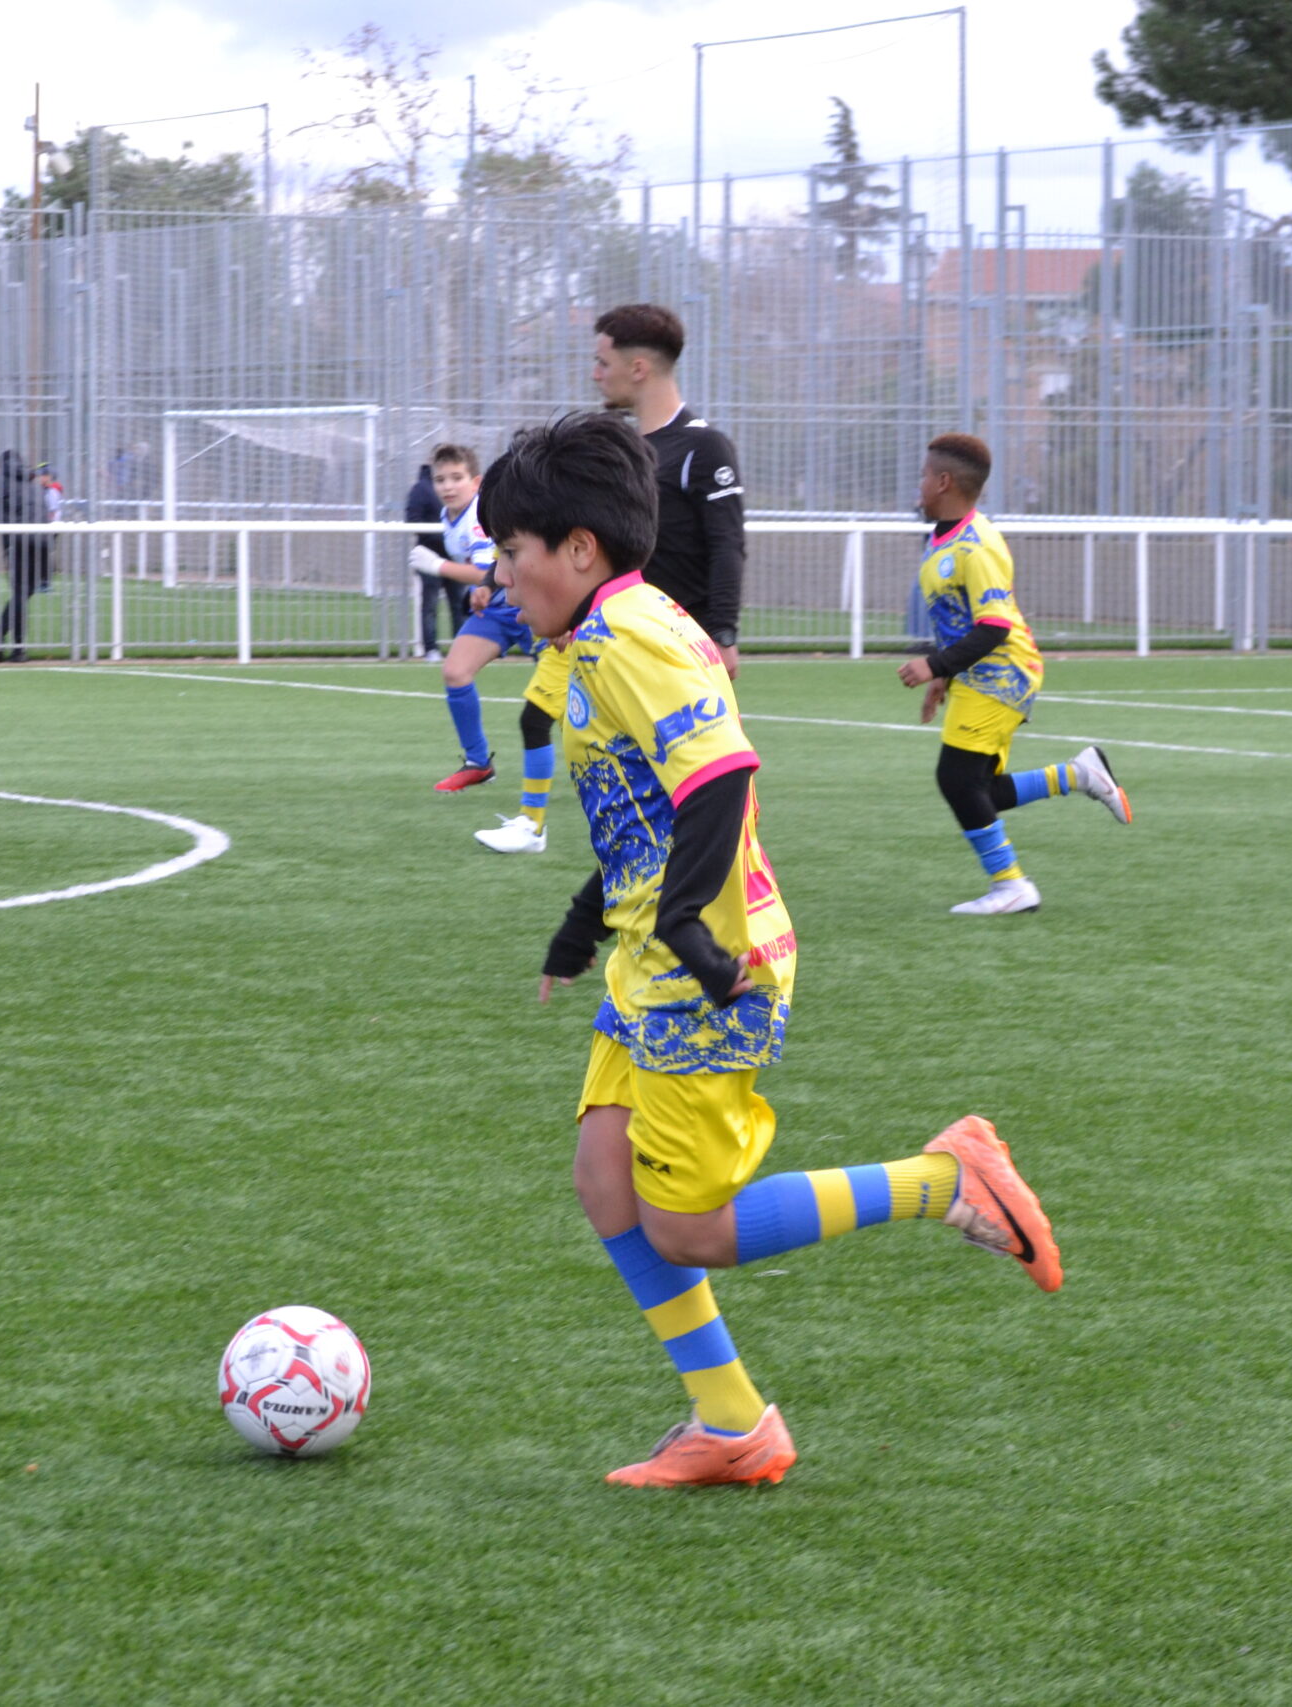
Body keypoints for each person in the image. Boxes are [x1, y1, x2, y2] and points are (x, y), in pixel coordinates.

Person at [493, 410, 1063, 1487]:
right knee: (606, 1180)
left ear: (578, 548)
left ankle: (945, 1178)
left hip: (705, 965)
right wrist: (585, 921)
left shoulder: (624, 638)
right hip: (653, 955)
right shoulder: (613, 625)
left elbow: (720, 775)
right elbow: (647, 807)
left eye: (512, 551)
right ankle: (731, 1423)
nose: (501, 573)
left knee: (690, 1229)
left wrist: (684, 930)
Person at [898, 433, 1130, 915]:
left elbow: (995, 626)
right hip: (977, 674)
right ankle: (1079, 774)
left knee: (957, 780)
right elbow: (961, 618)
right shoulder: (944, 537)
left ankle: (1011, 886)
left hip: (1003, 673)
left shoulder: (977, 544)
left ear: (944, 482)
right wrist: (944, 676)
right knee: (980, 789)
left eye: (923, 476)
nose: (918, 484)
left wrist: (935, 664)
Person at [590, 303, 746, 675]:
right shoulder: (620, 447)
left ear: (638, 368)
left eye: (603, 363)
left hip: (683, 646)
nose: (595, 375)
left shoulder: (703, 447)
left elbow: (727, 544)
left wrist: (723, 634)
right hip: (621, 638)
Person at [428, 443, 527, 794]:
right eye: (440, 479)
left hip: (530, 606)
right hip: (496, 611)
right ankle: (478, 762)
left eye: (457, 478)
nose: (448, 486)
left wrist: (438, 566)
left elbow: (487, 571)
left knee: (570, 690)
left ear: (476, 482)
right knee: (455, 672)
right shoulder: (449, 515)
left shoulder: (477, 517)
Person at [0, 449, 52, 662]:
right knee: (24, 593)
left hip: (18, 541)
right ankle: (5, 637)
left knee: (20, 593)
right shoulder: (34, 482)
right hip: (42, 541)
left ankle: (13, 644)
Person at [403, 460, 462, 659]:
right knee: (430, 605)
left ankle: (462, 648)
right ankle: (431, 649)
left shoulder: (457, 489)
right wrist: (441, 537)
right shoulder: (421, 489)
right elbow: (413, 521)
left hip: (454, 558)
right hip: (429, 558)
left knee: (459, 605)